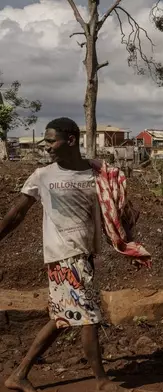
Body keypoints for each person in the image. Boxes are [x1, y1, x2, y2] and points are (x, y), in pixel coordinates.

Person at [1, 117, 127, 392]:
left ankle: (19, 374)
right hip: (63, 255)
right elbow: (17, 213)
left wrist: (125, 227)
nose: (46, 147)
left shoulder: (97, 175)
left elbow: (115, 211)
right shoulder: (43, 176)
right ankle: (102, 380)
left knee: (63, 318)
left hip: (85, 255)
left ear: (70, 140)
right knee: (88, 316)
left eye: (50, 140)